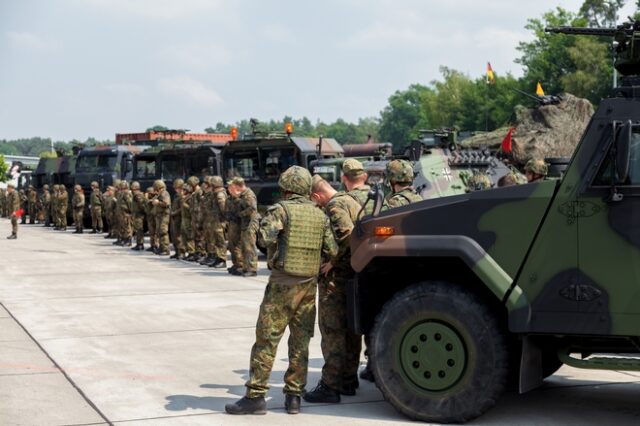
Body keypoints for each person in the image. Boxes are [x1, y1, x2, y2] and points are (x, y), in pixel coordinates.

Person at [225, 166, 338, 416]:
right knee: (300, 342)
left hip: (281, 286)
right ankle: (294, 397)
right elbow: (332, 250)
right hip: (308, 285)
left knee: (267, 339)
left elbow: (264, 239)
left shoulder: (280, 210)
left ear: (285, 188)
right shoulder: (320, 215)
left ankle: (255, 396)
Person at [304, 160, 372, 403]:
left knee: (332, 332)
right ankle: (347, 380)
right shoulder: (354, 199)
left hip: (336, 279)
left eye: (313, 200)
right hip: (355, 274)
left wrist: (333, 262)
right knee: (351, 331)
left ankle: (330, 386)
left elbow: (347, 237)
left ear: (318, 195)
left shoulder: (335, 206)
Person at [229, 177, 258, 277]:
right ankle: (246, 267)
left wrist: (240, 214)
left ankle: (252, 269)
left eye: (233, 186)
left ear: (238, 186)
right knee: (245, 247)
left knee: (249, 247)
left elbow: (252, 208)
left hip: (250, 224)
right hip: (245, 224)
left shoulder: (248, 195)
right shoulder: (243, 195)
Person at [209, 176, 228, 268]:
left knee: (220, 241)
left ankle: (222, 259)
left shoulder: (220, 195)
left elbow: (223, 209)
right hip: (216, 221)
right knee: (216, 240)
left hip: (219, 221)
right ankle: (218, 257)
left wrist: (223, 221)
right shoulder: (216, 194)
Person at [226, 181, 244, 275]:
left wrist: (236, 216)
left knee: (237, 246)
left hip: (238, 226)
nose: (229, 189)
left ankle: (240, 265)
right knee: (232, 245)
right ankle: (235, 264)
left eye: (230, 188)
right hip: (232, 225)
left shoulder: (239, 199)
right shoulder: (230, 199)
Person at [152, 179, 171, 256]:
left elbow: (166, 203)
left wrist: (158, 202)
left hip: (164, 215)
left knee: (163, 231)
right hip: (160, 215)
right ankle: (161, 247)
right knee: (159, 231)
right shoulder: (160, 194)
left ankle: (165, 249)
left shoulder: (164, 193)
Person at [169, 179, 185, 259]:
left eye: (178, 188)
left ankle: (181, 252)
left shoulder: (182, 197)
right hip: (175, 219)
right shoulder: (176, 196)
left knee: (179, 236)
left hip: (179, 218)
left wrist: (174, 212)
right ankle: (177, 251)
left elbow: (181, 208)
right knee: (174, 235)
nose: (176, 190)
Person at [130, 181, 146, 251]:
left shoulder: (138, 195)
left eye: (133, 188)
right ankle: (139, 243)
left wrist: (141, 212)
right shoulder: (136, 195)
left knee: (139, 230)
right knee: (138, 230)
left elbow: (142, 205)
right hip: (137, 215)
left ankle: (140, 244)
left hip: (139, 215)